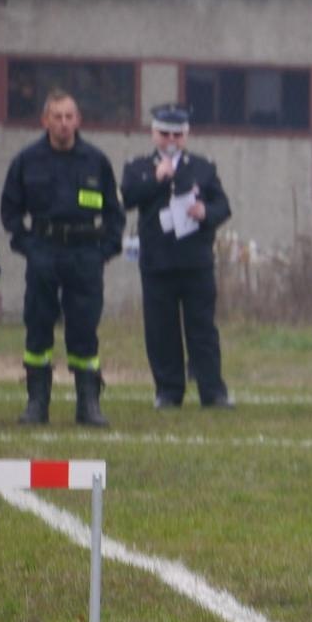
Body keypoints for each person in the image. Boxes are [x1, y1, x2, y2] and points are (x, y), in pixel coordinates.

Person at [0, 88, 124, 428]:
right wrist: (28, 246)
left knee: (84, 328)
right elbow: (10, 210)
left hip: (86, 254)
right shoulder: (27, 160)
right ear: (45, 120)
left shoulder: (95, 161)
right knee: (38, 326)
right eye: (57, 117)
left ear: (78, 120)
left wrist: (106, 250)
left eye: (70, 117)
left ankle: (89, 404)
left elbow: (115, 212)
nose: (64, 124)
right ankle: (37, 403)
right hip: (44, 252)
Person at [120, 104, 234, 410]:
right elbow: (127, 199)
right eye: (165, 133)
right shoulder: (138, 167)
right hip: (158, 262)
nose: (171, 139)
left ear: (186, 135)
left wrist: (205, 212)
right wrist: (156, 179)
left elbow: (223, 206)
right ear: (153, 133)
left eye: (177, 134)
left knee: (202, 329)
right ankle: (168, 391)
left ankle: (213, 391)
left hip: (195, 260)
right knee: (161, 330)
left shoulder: (202, 167)